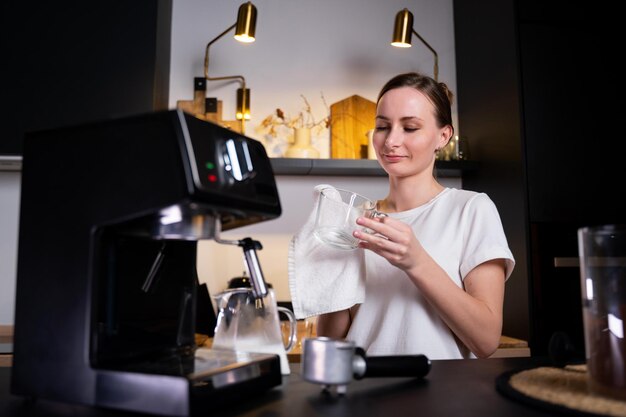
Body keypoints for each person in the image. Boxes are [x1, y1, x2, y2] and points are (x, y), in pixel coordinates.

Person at [315, 72, 515, 359]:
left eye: (409, 128)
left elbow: (485, 340)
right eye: (382, 126)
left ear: (443, 136)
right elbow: (330, 342)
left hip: (440, 395)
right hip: (363, 391)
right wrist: (326, 267)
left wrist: (416, 261)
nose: (391, 141)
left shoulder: (471, 209)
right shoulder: (356, 220)